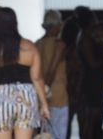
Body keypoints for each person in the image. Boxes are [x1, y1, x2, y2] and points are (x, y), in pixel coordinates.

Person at [0, 7, 50, 139]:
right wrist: (44, 104)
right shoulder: (29, 47)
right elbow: (37, 78)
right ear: (15, 23)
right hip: (25, 96)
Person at [34, 10, 68, 139]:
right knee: (58, 134)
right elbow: (52, 69)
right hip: (57, 95)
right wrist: (46, 88)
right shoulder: (59, 45)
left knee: (45, 134)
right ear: (57, 25)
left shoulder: (36, 45)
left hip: (39, 96)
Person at [76, 18, 103, 139]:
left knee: (93, 121)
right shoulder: (86, 39)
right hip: (93, 84)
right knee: (93, 121)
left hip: (94, 83)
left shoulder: (86, 39)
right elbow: (93, 63)